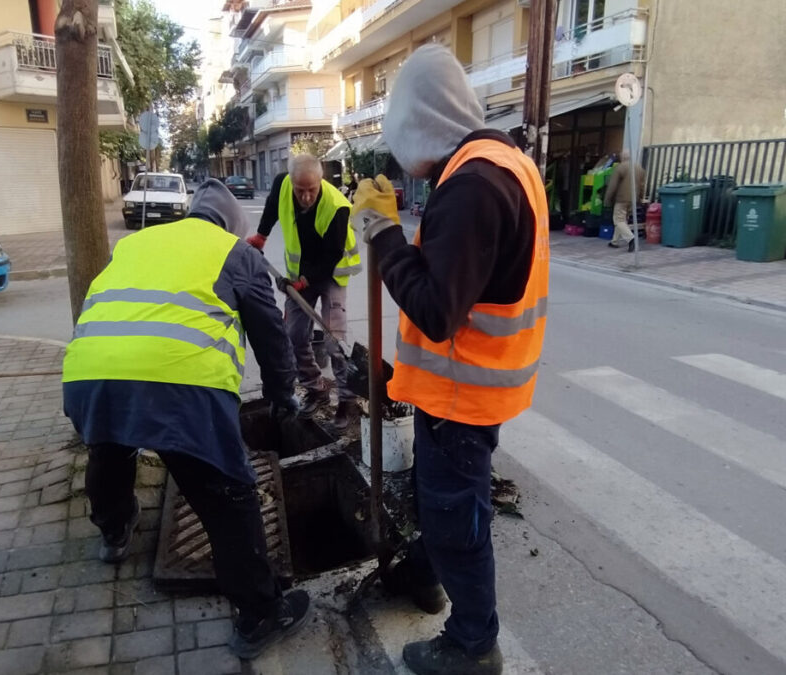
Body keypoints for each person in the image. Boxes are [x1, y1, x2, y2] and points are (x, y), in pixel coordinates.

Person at [350, 45, 550, 675]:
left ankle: (471, 644)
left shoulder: (472, 185)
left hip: (462, 393)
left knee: (454, 514)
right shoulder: (500, 163)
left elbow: (438, 310)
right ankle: (424, 576)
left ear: (423, 122)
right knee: (445, 503)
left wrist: (383, 234)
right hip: (473, 385)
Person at [61, 179, 310, 660]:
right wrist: (283, 397)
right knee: (226, 493)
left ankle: (114, 533)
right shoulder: (236, 254)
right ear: (233, 228)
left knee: (109, 448)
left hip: (88, 372)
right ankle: (260, 615)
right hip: (180, 386)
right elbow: (272, 340)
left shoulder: (136, 243)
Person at [245, 154, 362, 431]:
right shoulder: (282, 185)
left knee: (335, 340)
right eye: (301, 190)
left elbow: (331, 255)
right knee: (294, 335)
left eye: (312, 189)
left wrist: (303, 284)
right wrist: (261, 235)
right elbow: (273, 206)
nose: (306, 196)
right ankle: (315, 387)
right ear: (291, 182)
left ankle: (347, 401)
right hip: (300, 273)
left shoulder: (336, 207)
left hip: (331, 272)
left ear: (320, 181)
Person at [605, 147, 646, 251]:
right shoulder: (639, 168)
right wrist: (640, 198)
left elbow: (612, 186)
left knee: (618, 220)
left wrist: (607, 199)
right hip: (633, 199)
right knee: (623, 220)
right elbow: (642, 186)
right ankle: (614, 241)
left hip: (621, 199)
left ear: (622, 157)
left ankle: (631, 239)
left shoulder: (620, 168)